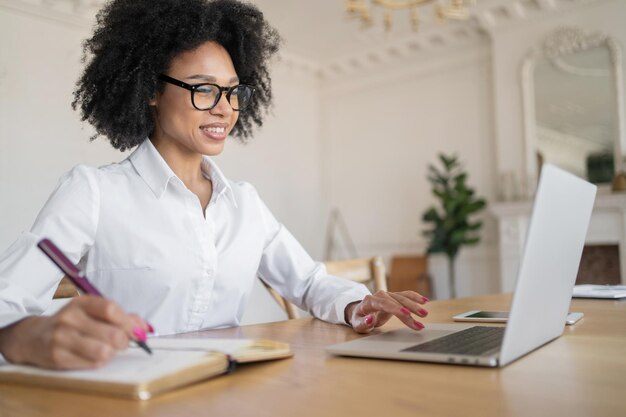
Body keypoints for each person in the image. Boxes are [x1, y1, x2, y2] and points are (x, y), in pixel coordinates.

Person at [0, 0, 429, 370]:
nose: (224, 109)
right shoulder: (93, 192)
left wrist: (359, 304)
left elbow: (310, 282)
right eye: (204, 89)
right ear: (150, 90)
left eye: (231, 92)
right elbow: (6, 304)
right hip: (137, 397)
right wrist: (27, 337)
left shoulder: (244, 203)